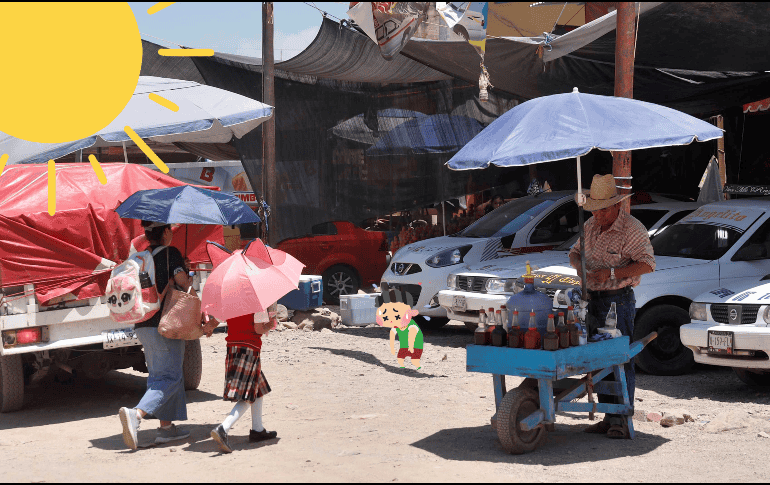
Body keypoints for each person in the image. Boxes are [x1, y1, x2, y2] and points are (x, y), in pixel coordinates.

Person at [568, 174, 656, 439]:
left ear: (617, 205)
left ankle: (622, 419)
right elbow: (574, 252)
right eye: (595, 210)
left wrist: (612, 273)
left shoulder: (632, 229)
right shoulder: (591, 226)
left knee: (619, 359)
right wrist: (580, 267)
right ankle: (608, 415)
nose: (599, 215)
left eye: (604, 210)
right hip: (592, 301)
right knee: (598, 360)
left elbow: (647, 264)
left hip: (618, 301)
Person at [118, 221, 210, 450]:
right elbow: (183, 283)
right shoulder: (171, 254)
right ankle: (136, 415)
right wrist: (186, 276)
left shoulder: (141, 257)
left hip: (142, 323)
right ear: (166, 232)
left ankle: (166, 429)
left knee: (160, 375)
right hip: (165, 324)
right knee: (170, 377)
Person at [209, 304, 278, 453]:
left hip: (233, 347)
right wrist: (271, 323)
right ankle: (223, 428)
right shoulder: (257, 303)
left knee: (257, 389)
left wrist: (207, 327)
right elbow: (258, 329)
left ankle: (257, 430)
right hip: (249, 348)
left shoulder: (231, 299)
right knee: (248, 395)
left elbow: (217, 319)